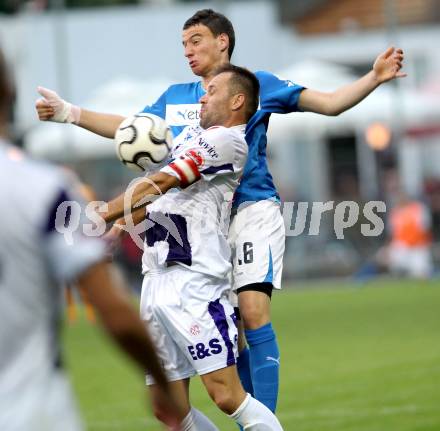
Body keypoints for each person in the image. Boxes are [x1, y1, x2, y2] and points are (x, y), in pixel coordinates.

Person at [35, 8, 406, 414]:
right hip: (203, 224)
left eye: (196, 41)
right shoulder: (175, 97)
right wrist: (69, 113)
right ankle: (252, 417)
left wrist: (373, 77)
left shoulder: (255, 85)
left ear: (222, 41)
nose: (188, 51)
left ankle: (260, 421)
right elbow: (129, 128)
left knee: (252, 310)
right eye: (183, 45)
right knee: (231, 335)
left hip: (250, 209)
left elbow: (330, 103)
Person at [0, 47, 181, 431]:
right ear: (9, 91)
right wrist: (162, 381)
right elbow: (114, 312)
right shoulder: (43, 188)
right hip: (34, 412)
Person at [99, 65, 283, 430]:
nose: (202, 95)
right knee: (168, 407)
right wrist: (119, 225)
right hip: (155, 277)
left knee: (226, 395)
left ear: (237, 100)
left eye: (212, 90)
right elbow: (155, 197)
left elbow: (162, 182)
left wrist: (98, 215)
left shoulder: (228, 140)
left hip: (195, 282)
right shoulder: (189, 139)